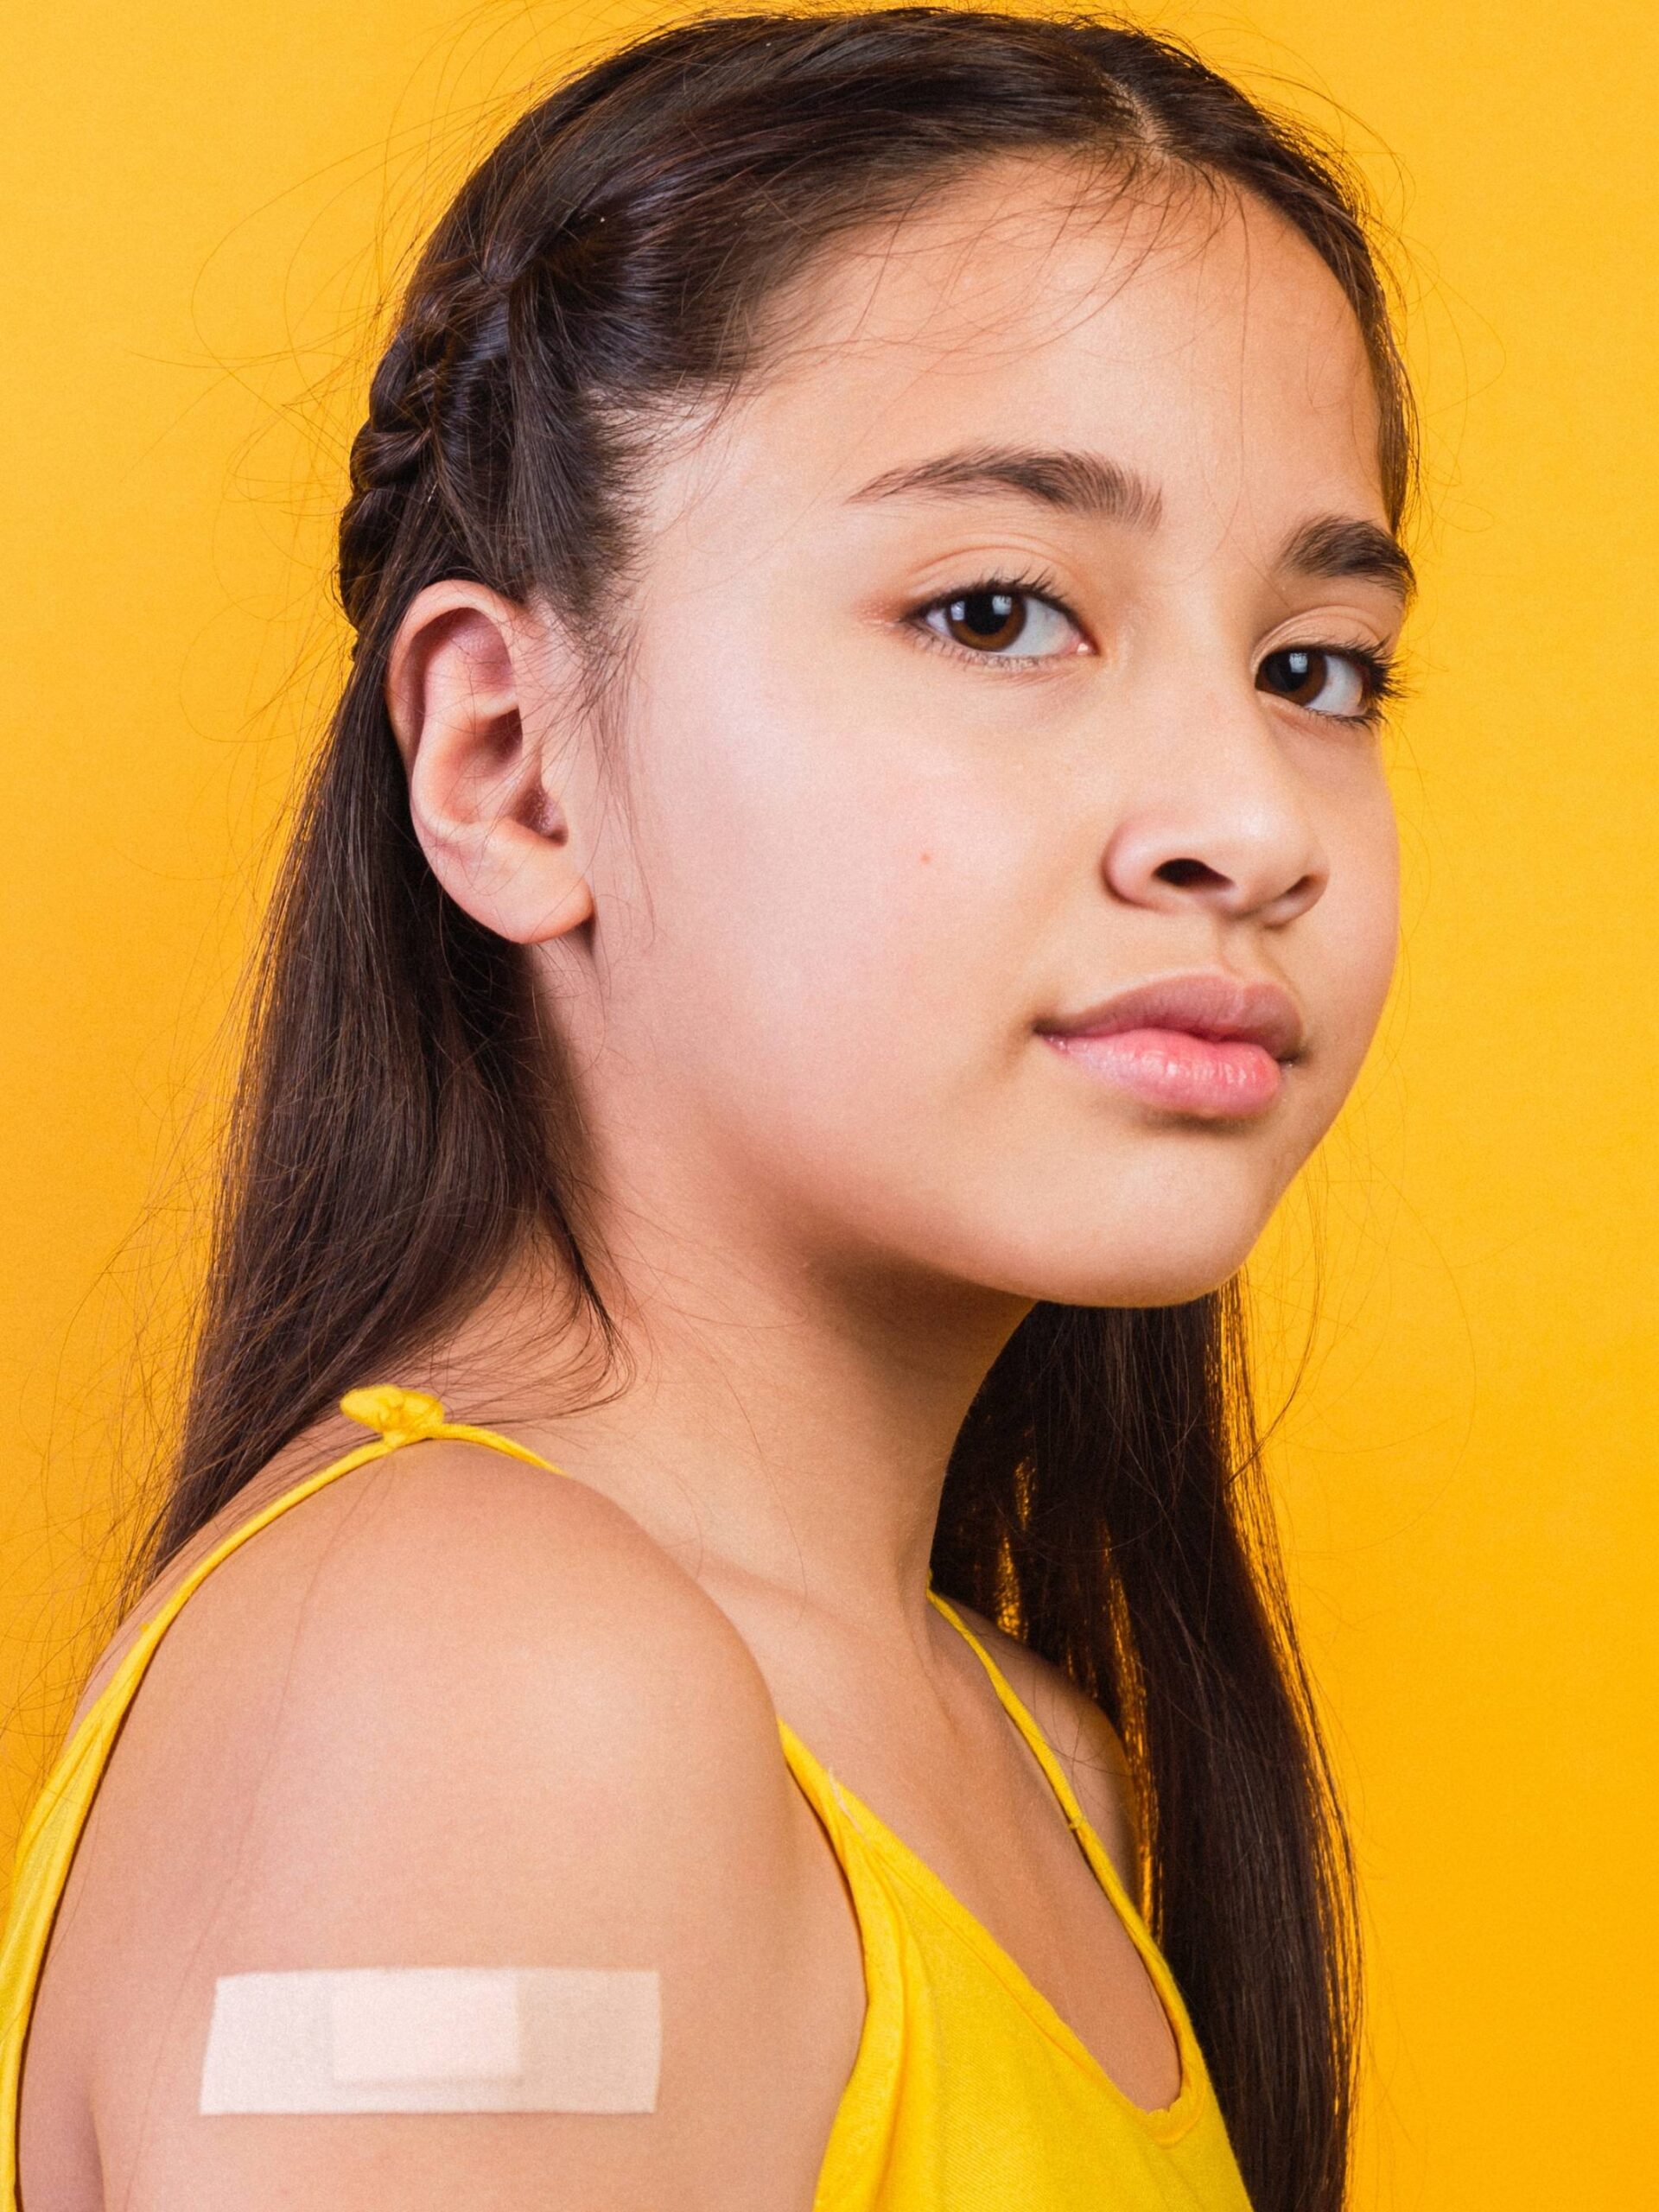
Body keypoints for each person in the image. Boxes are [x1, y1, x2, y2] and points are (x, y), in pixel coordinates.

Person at [0, 9, 1418, 2208]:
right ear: (511, 763)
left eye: (1311, 665)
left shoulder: (1031, 1759)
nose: (1249, 818)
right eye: (998, 610)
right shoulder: (487, 1691)